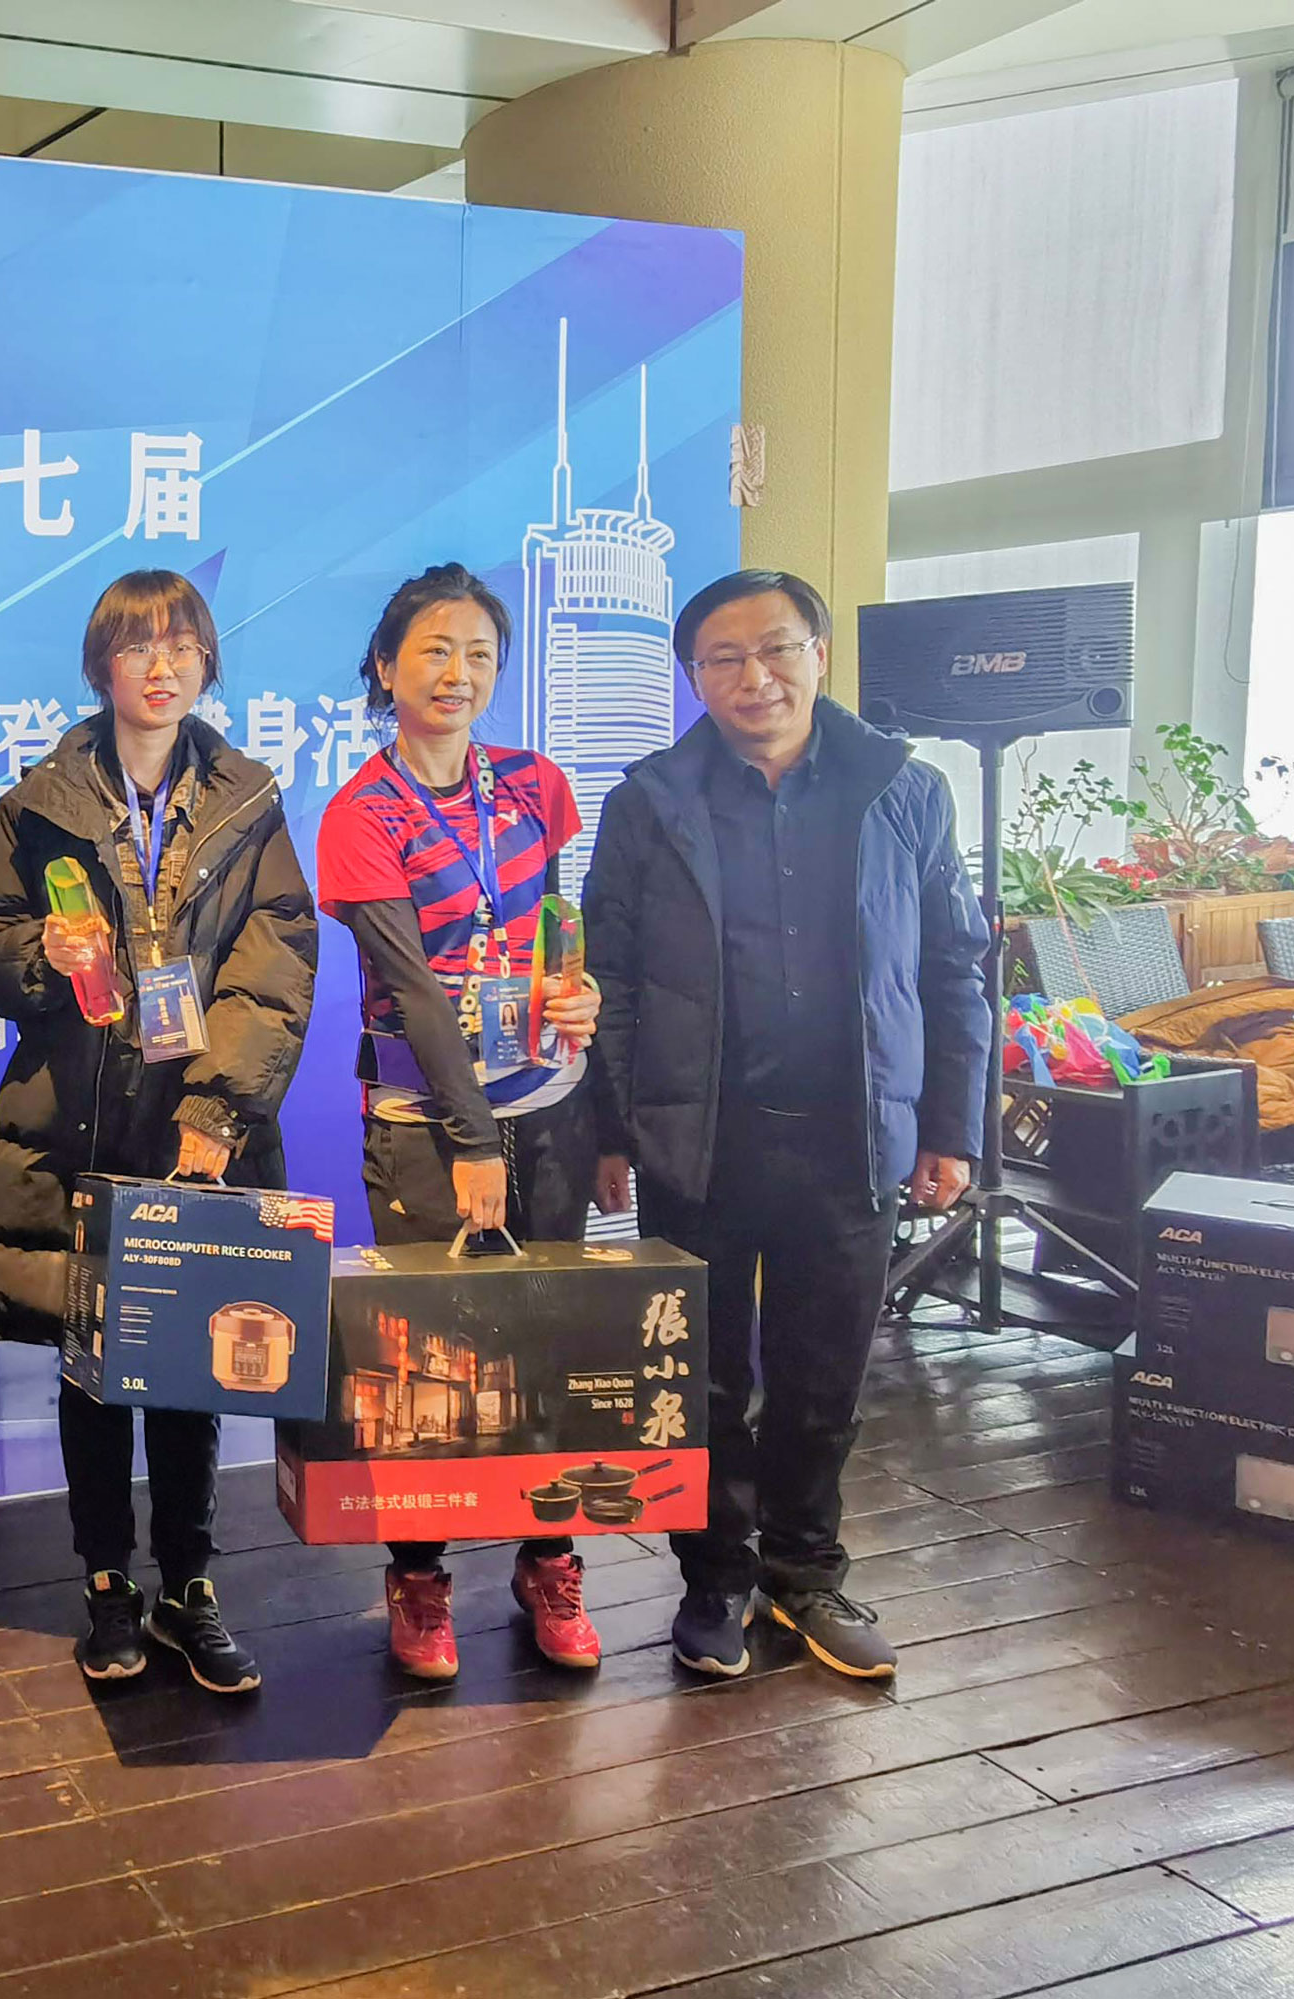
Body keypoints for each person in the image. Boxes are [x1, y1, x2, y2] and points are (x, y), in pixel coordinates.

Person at [584, 568, 987, 1683]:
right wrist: (614, 1128)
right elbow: (610, 975)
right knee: (700, 1377)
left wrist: (950, 1126)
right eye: (723, 658)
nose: (752, 676)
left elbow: (955, 966)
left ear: (819, 655)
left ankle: (806, 1572)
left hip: (851, 1136)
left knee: (824, 1376)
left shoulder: (902, 790)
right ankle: (714, 1578)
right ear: (694, 676)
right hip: (701, 1138)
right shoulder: (650, 800)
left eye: (775, 648)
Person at [0, 570, 316, 1693]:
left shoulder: (250, 802)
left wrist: (217, 1113)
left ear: (208, 660)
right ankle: (107, 1583)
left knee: (193, 1370)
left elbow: (272, 966)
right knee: (92, 1374)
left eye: (182, 644)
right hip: (78, 1128)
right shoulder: (35, 804)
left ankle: (190, 1587)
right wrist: (42, 957)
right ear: (99, 666)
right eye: (136, 646)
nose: (161, 666)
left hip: (197, 1133)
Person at [316, 562, 608, 1684]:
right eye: (434, 650)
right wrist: (475, 1140)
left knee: (554, 1350)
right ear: (385, 668)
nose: (458, 672)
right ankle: (421, 1576)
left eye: (480, 652)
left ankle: (550, 1559)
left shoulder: (536, 785)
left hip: (552, 1105)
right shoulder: (361, 813)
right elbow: (414, 992)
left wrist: (582, 1000)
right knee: (428, 1362)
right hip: (425, 1125)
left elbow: (555, 935)